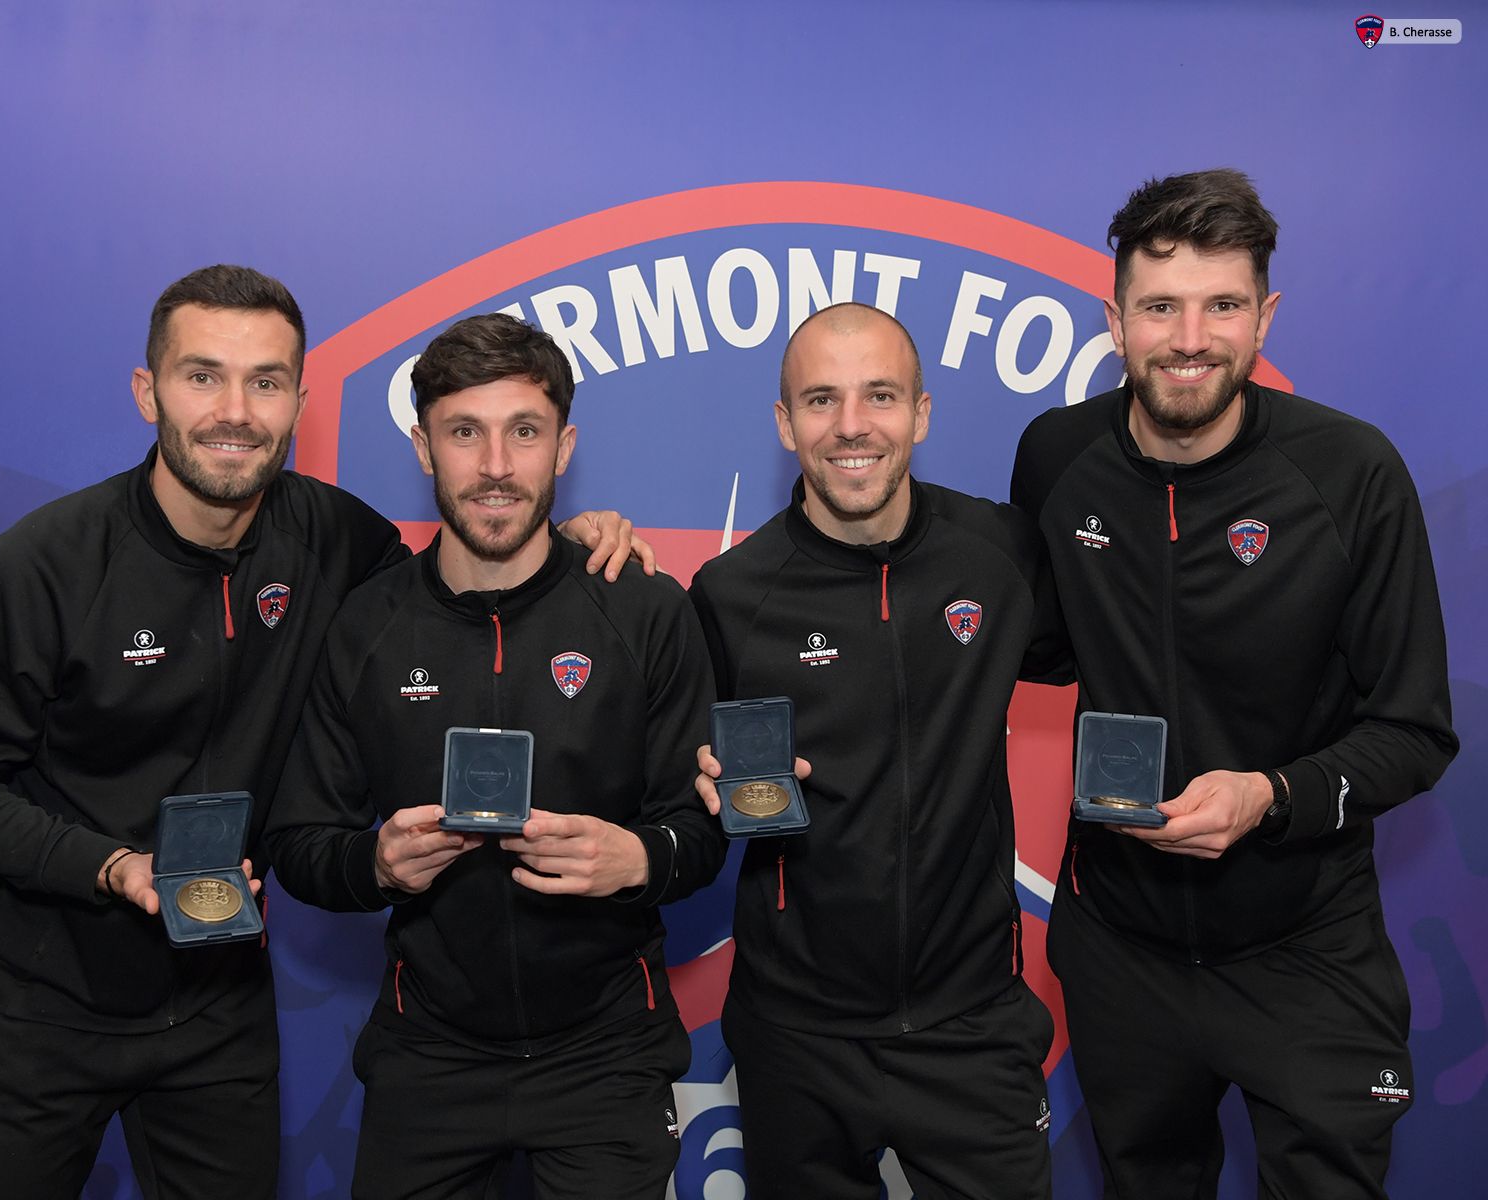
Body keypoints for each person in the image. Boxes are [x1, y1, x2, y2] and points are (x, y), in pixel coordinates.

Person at [0, 265, 646, 1199]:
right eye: (203, 376)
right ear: (148, 392)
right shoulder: (28, 573)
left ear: (298, 399)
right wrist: (107, 864)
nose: (235, 412)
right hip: (40, 1012)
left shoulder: (334, 541)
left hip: (219, 1008)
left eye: (266, 381)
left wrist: (576, 542)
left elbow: (469, 563)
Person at [1010, 168, 1458, 1199]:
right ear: (1113, 319)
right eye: (1159, 306)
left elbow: (1414, 732)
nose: (1189, 338)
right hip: (1120, 944)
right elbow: (1023, 635)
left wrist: (1270, 796)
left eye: (1222, 305)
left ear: (1265, 317)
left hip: (1304, 945)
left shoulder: (1350, 474)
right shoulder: (1056, 457)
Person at [265, 312, 724, 1200]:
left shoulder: (643, 610)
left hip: (606, 1055)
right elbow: (298, 842)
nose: (497, 466)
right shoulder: (366, 625)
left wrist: (637, 857)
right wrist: (377, 865)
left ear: (565, 446)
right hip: (428, 1055)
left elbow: (700, 835)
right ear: (422, 446)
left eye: (525, 431)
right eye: (464, 433)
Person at [689, 302, 1065, 1198]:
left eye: (880, 396)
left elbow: (1144, 638)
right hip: (796, 1035)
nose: (852, 426)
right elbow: (669, 775)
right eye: (821, 400)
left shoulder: (1002, 554)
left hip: (972, 1023)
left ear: (922, 413)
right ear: (786, 425)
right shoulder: (728, 593)